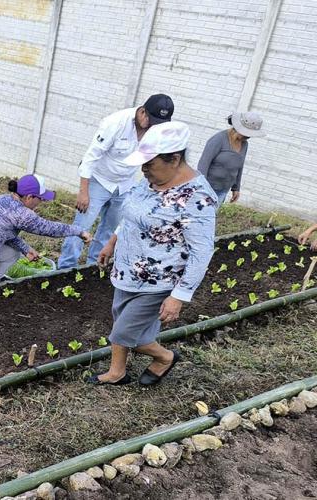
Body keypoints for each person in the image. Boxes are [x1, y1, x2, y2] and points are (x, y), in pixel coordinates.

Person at [92, 121, 216, 386]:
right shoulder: (150, 181)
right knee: (123, 322)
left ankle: (165, 357)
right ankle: (117, 372)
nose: (143, 169)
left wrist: (180, 296)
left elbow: (202, 251)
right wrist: (112, 241)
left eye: (149, 164)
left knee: (124, 333)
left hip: (159, 280)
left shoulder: (197, 198)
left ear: (174, 159)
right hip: (126, 269)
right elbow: (132, 214)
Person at [58, 94, 175, 269]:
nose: (153, 126)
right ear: (143, 112)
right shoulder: (115, 123)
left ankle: (93, 266)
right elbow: (91, 156)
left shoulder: (156, 131)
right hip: (100, 181)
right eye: (151, 120)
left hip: (125, 185)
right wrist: (84, 191)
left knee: (110, 229)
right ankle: (65, 267)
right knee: (81, 227)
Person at [197, 111, 265, 206]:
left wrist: (236, 188)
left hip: (223, 190)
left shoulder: (244, 144)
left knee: (211, 217)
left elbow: (239, 166)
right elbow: (203, 164)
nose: (248, 137)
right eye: (246, 134)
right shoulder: (219, 139)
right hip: (207, 188)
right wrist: (202, 188)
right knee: (200, 216)